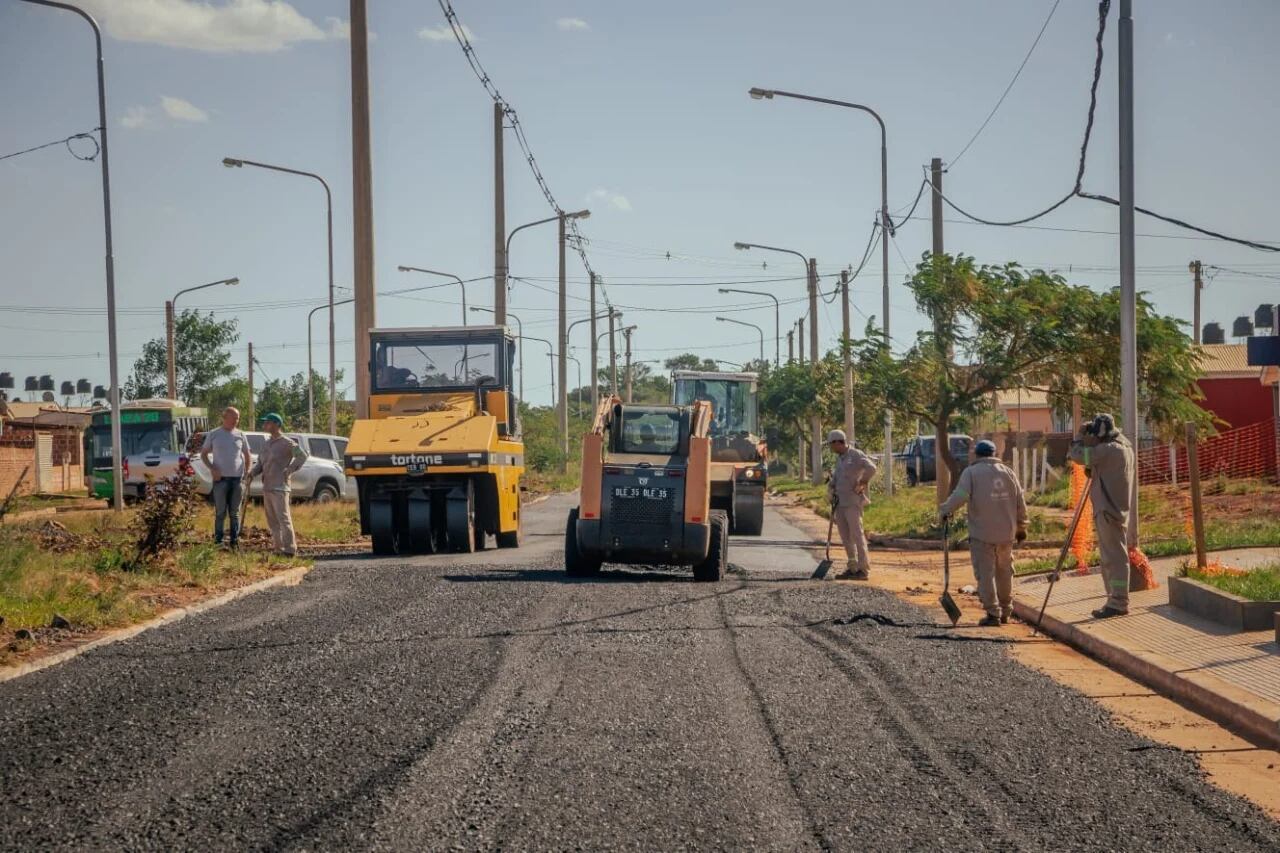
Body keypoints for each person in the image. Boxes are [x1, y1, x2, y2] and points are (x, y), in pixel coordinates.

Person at [938, 439, 1028, 626]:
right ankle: (1005, 610)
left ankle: (993, 613)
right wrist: (1021, 527)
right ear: (994, 454)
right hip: (1007, 534)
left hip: (983, 534)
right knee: (1004, 572)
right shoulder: (1009, 473)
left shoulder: (971, 472)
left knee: (985, 573)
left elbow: (961, 495)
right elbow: (1020, 501)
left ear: (977, 454)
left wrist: (946, 510)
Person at [1068, 413, 1136, 619]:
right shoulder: (1125, 445)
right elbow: (1099, 470)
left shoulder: (1107, 450)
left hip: (1108, 509)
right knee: (1114, 556)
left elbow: (1077, 455)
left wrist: (1080, 435)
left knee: (1113, 558)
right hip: (1118, 508)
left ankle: (1118, 601)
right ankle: (1115, 599)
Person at [248, 413, 308, 556]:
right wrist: (252, 473)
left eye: (267, 422)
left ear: (276, 424)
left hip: (280, 487)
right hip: (267, 487)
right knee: (272, 521)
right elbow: (261, 464)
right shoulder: (266, 444)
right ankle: (278, 548)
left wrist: (290, 470)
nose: (265, 425)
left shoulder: (287, 443)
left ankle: (290, 549)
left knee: (283, 519)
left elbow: (302, 456)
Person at [826, 429, 877, 580]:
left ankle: (863, 569)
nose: (831, 447)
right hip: (840, 503)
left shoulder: (856, 455)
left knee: (857, 535)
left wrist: (863, 482)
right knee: (845, 537)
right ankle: (852, 567)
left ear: (838, 442)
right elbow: (837, 477)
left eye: (831, 444)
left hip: (853, 502)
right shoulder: (839, 458)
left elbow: (872, 468)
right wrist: (831, 487)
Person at [200, 407, 251, 548]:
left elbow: (247, 455)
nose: (236, 420)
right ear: (225, 417)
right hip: (220, 480)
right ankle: (218, 541)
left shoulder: (240, 435)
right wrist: (212, 468)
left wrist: (247, 472)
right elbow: (203, 454)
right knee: (220, 512)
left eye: (238, 418)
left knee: (234, 513)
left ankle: (234, 542)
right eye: (234, 417)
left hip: (237, 480)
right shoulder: (214, 434)